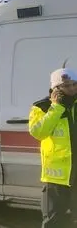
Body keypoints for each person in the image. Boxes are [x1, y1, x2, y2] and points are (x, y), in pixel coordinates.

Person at [29, 68, 77, 227]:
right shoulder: (41, 107)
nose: (72, 88)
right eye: (66, 85)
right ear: (55, 88)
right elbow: (38, 132)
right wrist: (56, 108)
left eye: (74, 84)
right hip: (57, 176)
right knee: (54, 221)